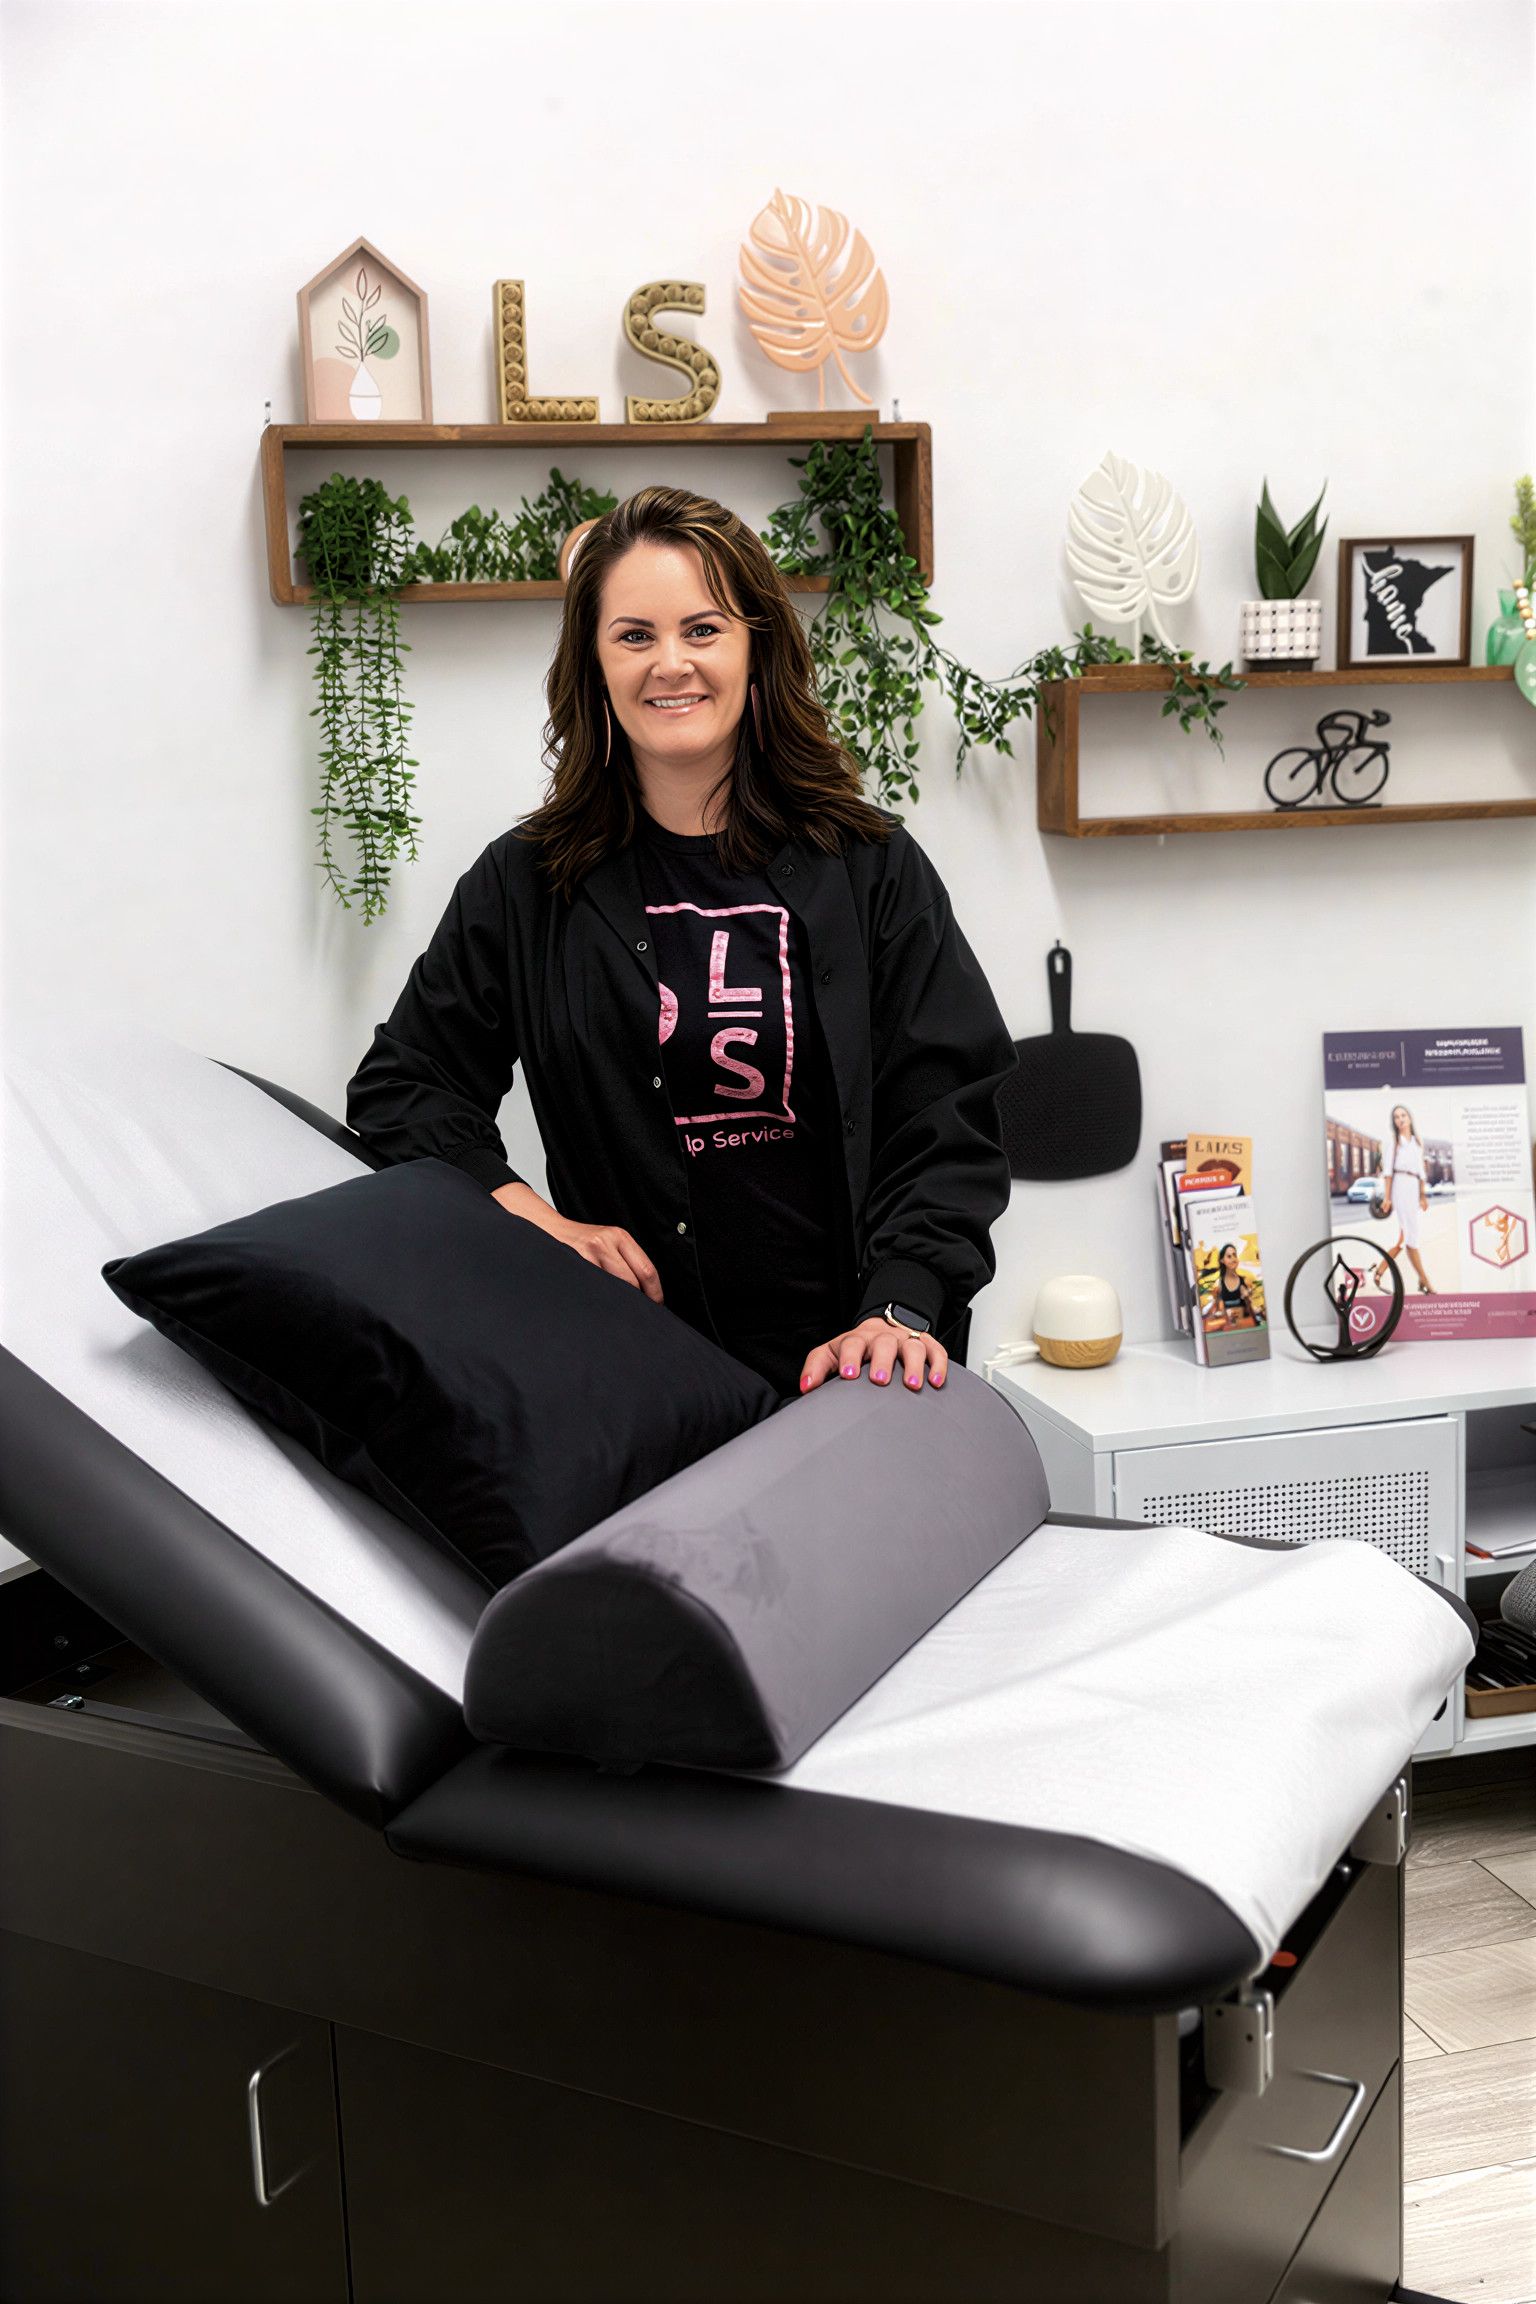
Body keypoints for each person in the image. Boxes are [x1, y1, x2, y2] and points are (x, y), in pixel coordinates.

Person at [345, 486, 1018, 1403]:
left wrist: (901, 1307)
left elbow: (947, 1114)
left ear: (755, 649)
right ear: (593, 665)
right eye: (635, 636)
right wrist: (531, 1217)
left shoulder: (871, 867)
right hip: (633, 1382)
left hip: (859, 1372)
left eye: (703, 629)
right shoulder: (527, 884)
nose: (672, 664)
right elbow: (403, 1088)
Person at [1371, 1103, 1433, 1295]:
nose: (1400, 1119)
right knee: (1408, 1236)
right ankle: (1425, 1281)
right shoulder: (1394, 1143)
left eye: (1403, 1115)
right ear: (1394, 1122)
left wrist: (1422, 1195)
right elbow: (1388, 1172)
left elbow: (1421, 1171)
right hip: (1400, 1186)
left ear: (1409, 1118)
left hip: (1413, 1187)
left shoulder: (1417, 1142)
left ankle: (1380, 1271)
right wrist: (1387, 1197)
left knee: (1405, 1237)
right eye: (1396, 1117)